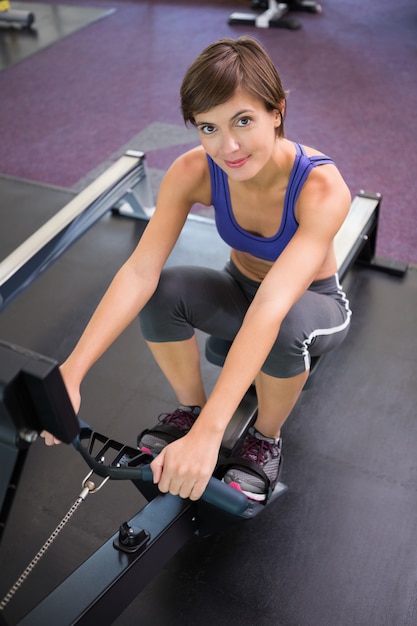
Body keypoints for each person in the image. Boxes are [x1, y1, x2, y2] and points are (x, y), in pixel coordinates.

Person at [42, 36, 352, 504]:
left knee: (285, 326)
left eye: (243, 120)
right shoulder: (194, 171)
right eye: (208, 128)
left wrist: (213, 437)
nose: (227, 146)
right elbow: (139, 272)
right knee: (162, 291)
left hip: (310, 308)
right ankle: (191, 410)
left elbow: (272, 304)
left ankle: (266, 437)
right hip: (236, 291)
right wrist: (71, 372)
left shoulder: (322, 188)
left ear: (278, 111)